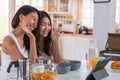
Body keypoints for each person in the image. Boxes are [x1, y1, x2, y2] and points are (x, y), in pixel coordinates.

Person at [0, 5, 40, 80]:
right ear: (21, 17)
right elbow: (27, 67)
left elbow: (33, 65)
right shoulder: (8, 40)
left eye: (37, 21)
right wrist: (32, 38)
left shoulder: (26, 40)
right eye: (34, 19)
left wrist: (32, 38)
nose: (35, 24)